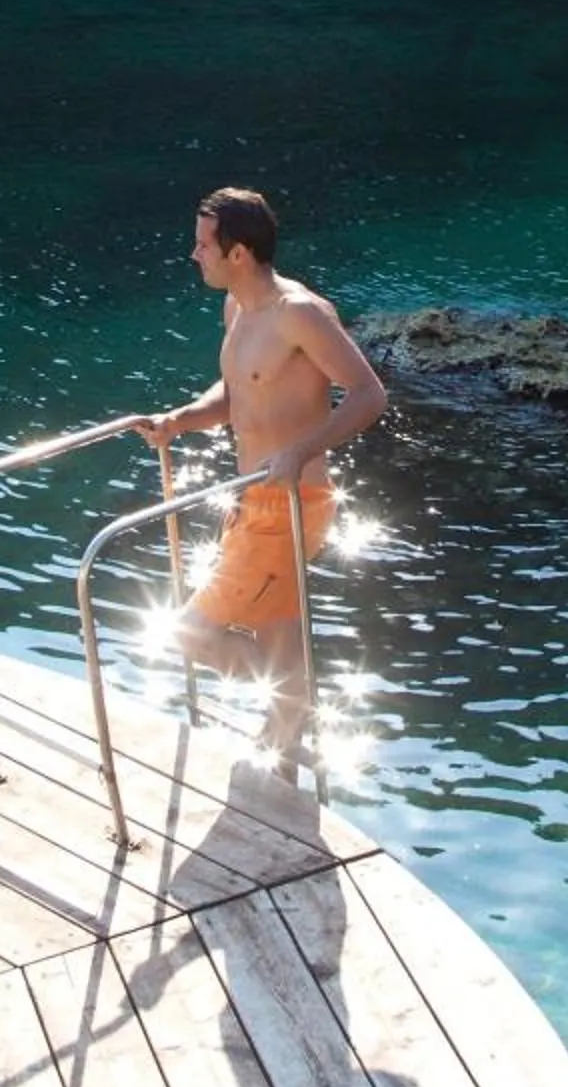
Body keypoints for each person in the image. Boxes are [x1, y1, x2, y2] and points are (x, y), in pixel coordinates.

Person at [138, 187, 387, 764]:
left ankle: (297, 707)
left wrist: (301, 450)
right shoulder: (237, 308)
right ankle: (286, 743)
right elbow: (238, 393)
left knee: (189, 633)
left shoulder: (299, 314)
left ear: (239, 253)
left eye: (203, 245)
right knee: (278, 632)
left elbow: (368, 393)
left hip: (294, 501)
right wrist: (180, 420)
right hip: (253, 499)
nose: (194, 254)